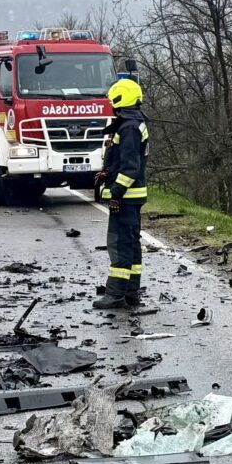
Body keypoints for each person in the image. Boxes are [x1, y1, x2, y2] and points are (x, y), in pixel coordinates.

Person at [93, 78, 150, 310]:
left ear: (119, 98)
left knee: (120, 244)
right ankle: (131, 292)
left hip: (125, 197)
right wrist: (108, 173)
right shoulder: (136, 123)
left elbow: (129, 167)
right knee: (132, 244)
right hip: (134, 196)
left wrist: (115, 192)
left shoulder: (127, 127)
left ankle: (116, 294)